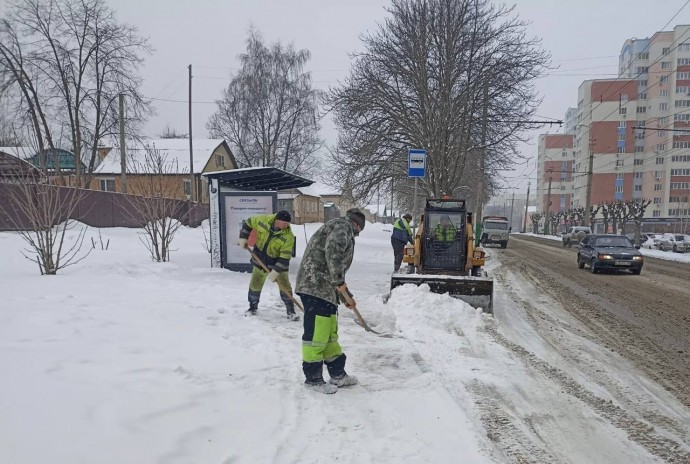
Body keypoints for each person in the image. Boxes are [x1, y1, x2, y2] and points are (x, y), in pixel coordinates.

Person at [295, 208, 366, 394]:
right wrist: (339, 282)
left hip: (325, 289)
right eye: (359, 231)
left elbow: (335, 266)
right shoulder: (342, 227)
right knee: (317, 334)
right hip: (314, 285)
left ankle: (337, 374)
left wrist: (345, 296)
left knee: (329, 333)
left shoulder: (340, 226)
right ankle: (313, 379)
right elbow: (333, 253)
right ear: (357, 225)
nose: (357, 234)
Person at [237, 210, 299, 321]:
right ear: (277, 220)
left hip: (278, 262)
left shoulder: (288, 236)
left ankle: (291, 310)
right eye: (284, 223)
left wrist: (275, 271)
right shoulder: (263, 221)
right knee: (256, 283)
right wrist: (243, 237)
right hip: (260, 258)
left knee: (284, 285)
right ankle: (252, 307)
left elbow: (285, 257)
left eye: (288, 224)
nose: (286, 226)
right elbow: (248, 223)